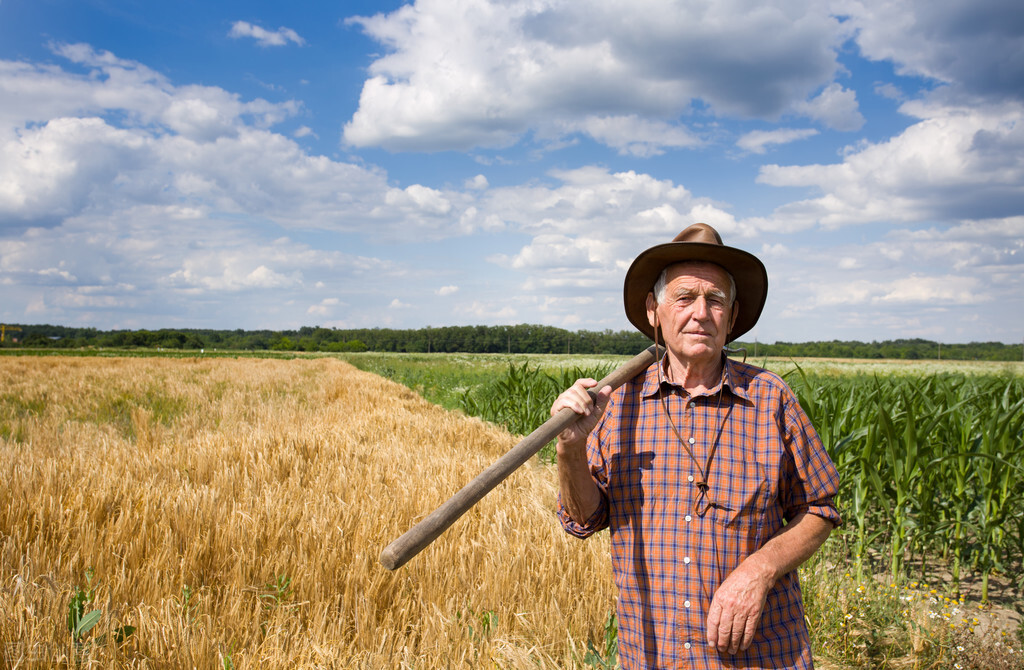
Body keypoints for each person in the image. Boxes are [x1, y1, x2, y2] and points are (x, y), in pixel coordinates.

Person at [553, 223, 841, 669]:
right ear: (654, 310)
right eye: (685, 297)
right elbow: (583, 520)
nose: (700, 313)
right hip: (653, 654)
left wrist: (758, 571)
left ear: (732, 313)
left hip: (761, 656)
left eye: (715, 300)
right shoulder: (618, 403)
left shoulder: (771, 398)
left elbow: (820, 509)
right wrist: (571, 447)